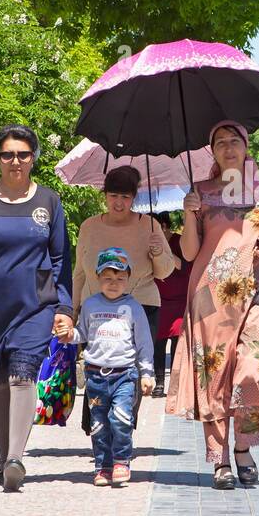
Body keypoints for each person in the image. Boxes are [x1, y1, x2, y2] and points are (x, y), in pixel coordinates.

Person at [0, 123, 74, 493]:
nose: (16, 161)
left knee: (22, 376)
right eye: (7, 154)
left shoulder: (49, 202)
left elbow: (60, 258)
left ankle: (15, 459)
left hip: (35, 305)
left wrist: (64, 307)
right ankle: (3, 455)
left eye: (23, 154)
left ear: (33, 158)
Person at [169, 120, 259, 490]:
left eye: (236, 141)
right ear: (212, 151)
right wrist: (188, 212)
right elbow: (187, 252)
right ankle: (219, 460)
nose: (229, 147)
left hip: (257, 293)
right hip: (209, 296)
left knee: (250, 371)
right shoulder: (200, 192)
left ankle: (244, 448)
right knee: (214, 376)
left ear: (246, 147)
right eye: (220, 142)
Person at [73, 167, 175, 393]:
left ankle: (123, 426)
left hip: (140, 308)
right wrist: (71, 311)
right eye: (113, 196)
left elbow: (165, 272)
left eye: (125, 197)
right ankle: (98, 426)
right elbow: (79, 272)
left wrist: (157, 253)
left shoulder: (149, 225)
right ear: (105, 195)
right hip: (96, 308)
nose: (118, 203)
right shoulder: (89, 226)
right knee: (96, 376)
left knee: (131, 381)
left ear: (134, 198)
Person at [64, 247, 156, 486]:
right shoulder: (90, 305)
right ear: (97, 277)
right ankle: (102, 466)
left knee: (120, 418)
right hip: (95, 376)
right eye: (107, 277)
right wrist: (68, 335)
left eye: (119, 277)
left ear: (128, 279)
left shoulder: (134, 308)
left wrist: (147, 373)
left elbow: (144, 342)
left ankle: (121, 461)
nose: (113, 282)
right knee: (98, 424)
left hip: (125, 375)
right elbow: (82, 333)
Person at [151, 211, 189, 398]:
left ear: (164, 226)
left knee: (176, 343)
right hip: (159, 300)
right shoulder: (150, 245)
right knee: (158, 342)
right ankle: (159, 383)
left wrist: (165, 249)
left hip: (179, 301)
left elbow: (184, 266)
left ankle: (175, 384)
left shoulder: (180, 242)